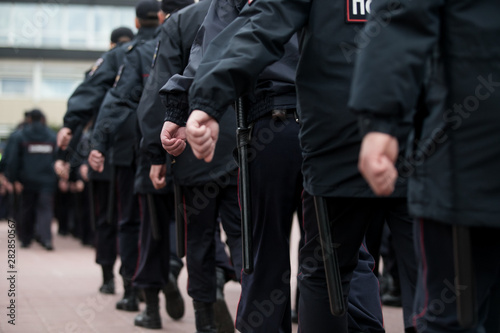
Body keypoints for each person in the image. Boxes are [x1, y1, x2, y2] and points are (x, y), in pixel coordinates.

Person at [176, 0, 421, 331]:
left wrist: (200, 102)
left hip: (316, 129)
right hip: (410, 128)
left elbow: (252, 30)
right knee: (423, 270)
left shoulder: (188, 18)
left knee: (314, 263)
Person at [349, 0, 500, 332]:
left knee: (451, 315)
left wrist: (380, 120)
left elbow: (401, 17)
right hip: (469, 150)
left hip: (467, 153)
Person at [56, 2, 157, 300]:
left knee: (119, 218)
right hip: (169, 143)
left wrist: (71, 124)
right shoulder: (175, 41)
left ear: (137, 22)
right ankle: (167, 273)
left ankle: (123, 284)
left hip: (119, 149)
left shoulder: (117, 56)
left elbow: (93, 92)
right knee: (162, 216)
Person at [5, 109, 57, 250]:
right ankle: (46, 238)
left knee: (27, 209)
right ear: (42, 119)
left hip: (26, 180)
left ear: (29, 119)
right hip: (47, 180)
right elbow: (57, 158)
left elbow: (13, 159)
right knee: (45, 210)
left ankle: (26, 239)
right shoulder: (51, 136)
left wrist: (14, 179)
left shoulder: (20, 136)